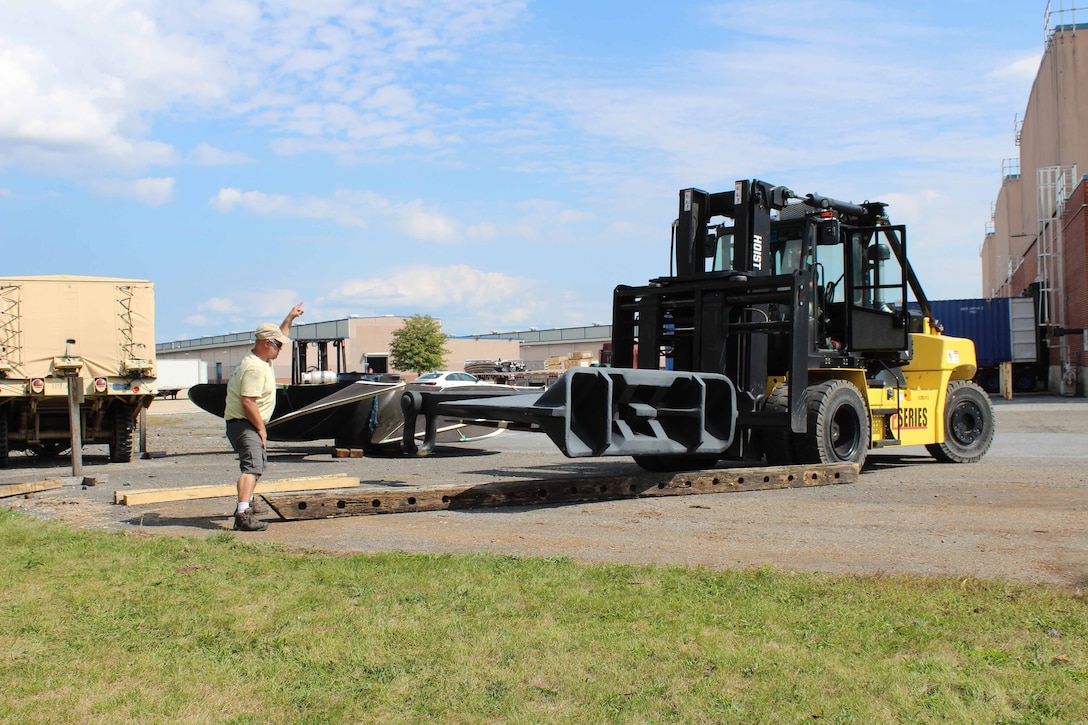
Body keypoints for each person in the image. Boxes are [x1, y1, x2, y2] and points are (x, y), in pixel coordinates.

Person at [224, 303, 304, 531]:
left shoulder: (261, 359)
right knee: (251, 467)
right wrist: (261, 428)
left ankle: (247, 502)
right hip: (245, 424)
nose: (281, 349)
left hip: (245, 424)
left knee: (257, 466)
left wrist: (290, 317)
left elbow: (281, 335)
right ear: (267, 344)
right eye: (278, 345)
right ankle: (242, 514)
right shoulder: (255, 368)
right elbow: (248, 401)